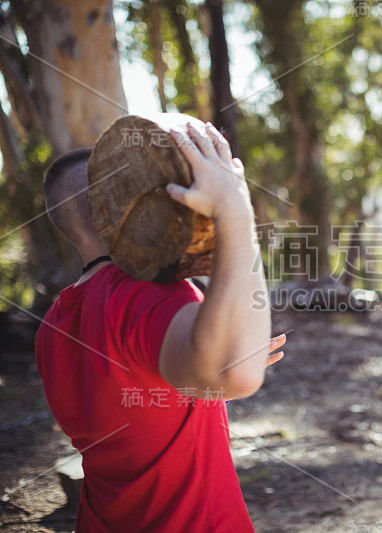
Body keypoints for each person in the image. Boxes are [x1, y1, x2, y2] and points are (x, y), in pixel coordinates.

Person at [35, 123, 284, 532]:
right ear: (121, 201)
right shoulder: (145, 294)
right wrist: (235, 212)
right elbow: (237, 375)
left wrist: (213, 364)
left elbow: (137, 402)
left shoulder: (52, 325)